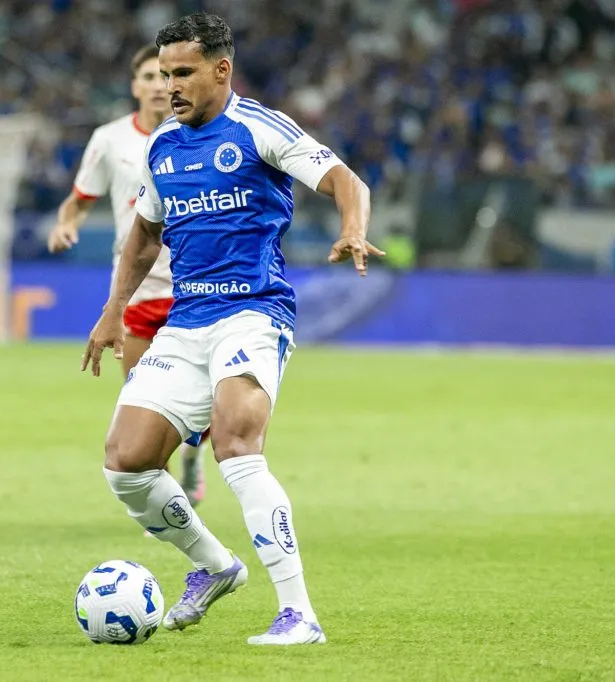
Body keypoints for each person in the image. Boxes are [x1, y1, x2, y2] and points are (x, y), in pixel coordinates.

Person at [81, 13, 384, 645]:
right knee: (125, 462)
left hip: (252, 312)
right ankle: (215, 567)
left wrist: (352, 226)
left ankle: (299, 613)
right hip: (185, 319)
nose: (170, 87)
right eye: (164, 75)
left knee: (237, 448)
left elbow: (344, 180)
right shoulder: (163, 145)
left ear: (222, 69)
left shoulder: (257, 127)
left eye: (183, 73)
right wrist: (114, 308)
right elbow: (145, 232)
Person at [49, 45, 207, 505]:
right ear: (135, 86)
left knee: (206, 401)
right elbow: (79, 200)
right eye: (149, 76)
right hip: (136, 290)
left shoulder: (200, 134)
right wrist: (66, 225)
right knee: (147, 401)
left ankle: (194, 456)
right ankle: (170, 504)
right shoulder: (111, 139)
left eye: (165, 76)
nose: (159, 85)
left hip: (195, 288)